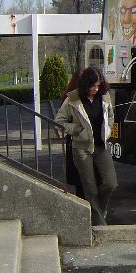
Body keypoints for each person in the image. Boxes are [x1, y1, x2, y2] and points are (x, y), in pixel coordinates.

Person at [55, 67, 118, 226]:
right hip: (82, 147)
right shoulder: (73, 98)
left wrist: (108, 129)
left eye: (98, 85)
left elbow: (111, 115)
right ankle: (99, 223)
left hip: (101, 145)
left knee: (111, 183)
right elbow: (59, 122)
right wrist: (77, 130)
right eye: (92, 86)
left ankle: (99, 214)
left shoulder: (104, 96)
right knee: (90, 188)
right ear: (85, 84)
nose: (95, 89)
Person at [61, 69, 85, 199]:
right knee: (82, 181)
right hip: (76, 143)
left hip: (80, 143)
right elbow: (60, 122)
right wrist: (77, 129)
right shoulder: (70, 100)